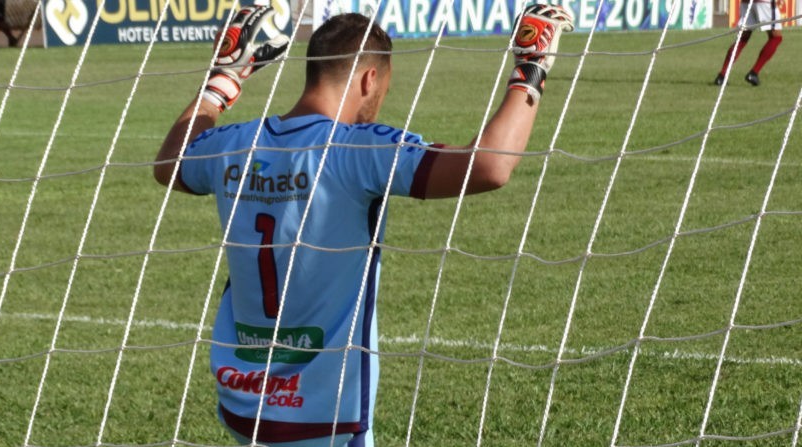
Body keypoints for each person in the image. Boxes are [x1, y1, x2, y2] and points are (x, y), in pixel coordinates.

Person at [154, 5, 573, 446]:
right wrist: (531, 65)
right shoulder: (357, 149)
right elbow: (488, 167)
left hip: (243, 405)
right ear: (369, 79)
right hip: (322, 415)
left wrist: (225, 77)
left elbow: (169, 163)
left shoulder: (237, 143)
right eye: (384, 89)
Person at [714, 0, 783, 86]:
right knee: (776, 38)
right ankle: (754, 73)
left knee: (742, 38)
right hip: (764, 2)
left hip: (746, 2)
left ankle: (722, 76)